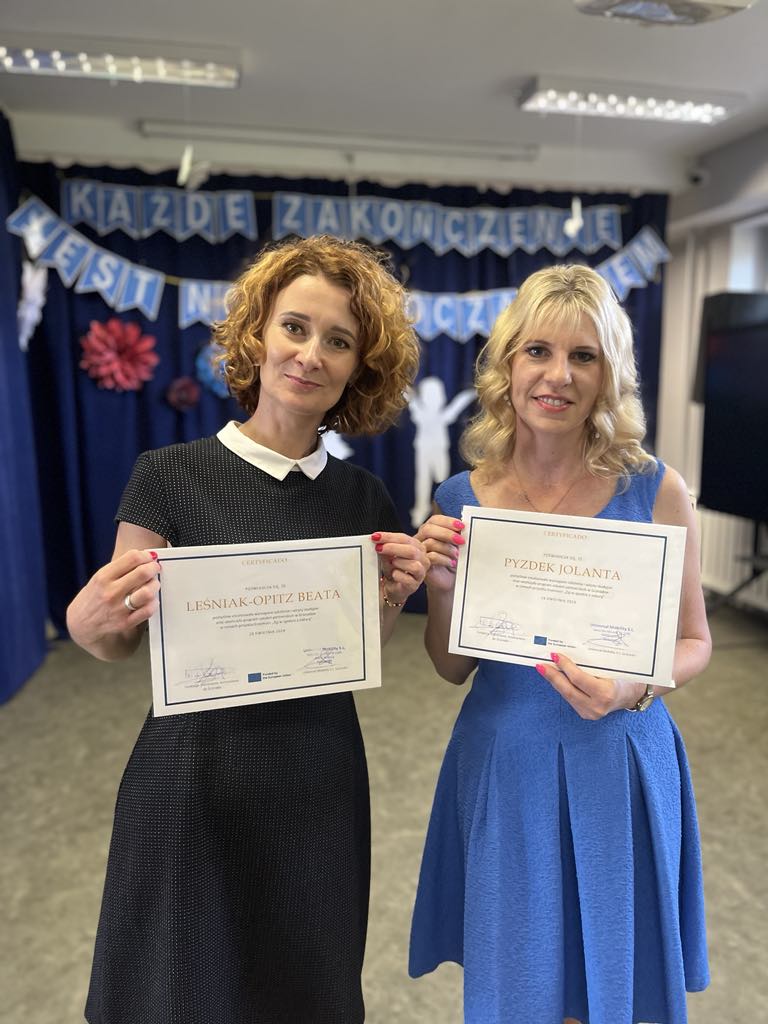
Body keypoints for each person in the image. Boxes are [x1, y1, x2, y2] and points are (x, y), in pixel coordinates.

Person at [66, 234, 428, 1024]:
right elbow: (117, 638)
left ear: (360, 367)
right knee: (180, 991)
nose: (310, 354)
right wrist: (87, 621)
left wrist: (393, 600)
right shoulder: (167, 477)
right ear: (257, 334)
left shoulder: (364, 499)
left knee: (304, 988)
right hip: (193, 779)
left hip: (317, 779)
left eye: (339, 341)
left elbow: (356, 652)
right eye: (295, 327)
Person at [408, 264, 711, 1024]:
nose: (558, 376)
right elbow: (451, 666)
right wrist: (440, 588)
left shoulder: (656, 489)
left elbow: (694, 640)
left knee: (611, 983)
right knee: (519, 982)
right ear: (507, 365)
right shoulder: (460, 499)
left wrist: (633, 685)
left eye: (584, 357)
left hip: (617, 757)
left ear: (609, 375)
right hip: (505, 761)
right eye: (538, 351)